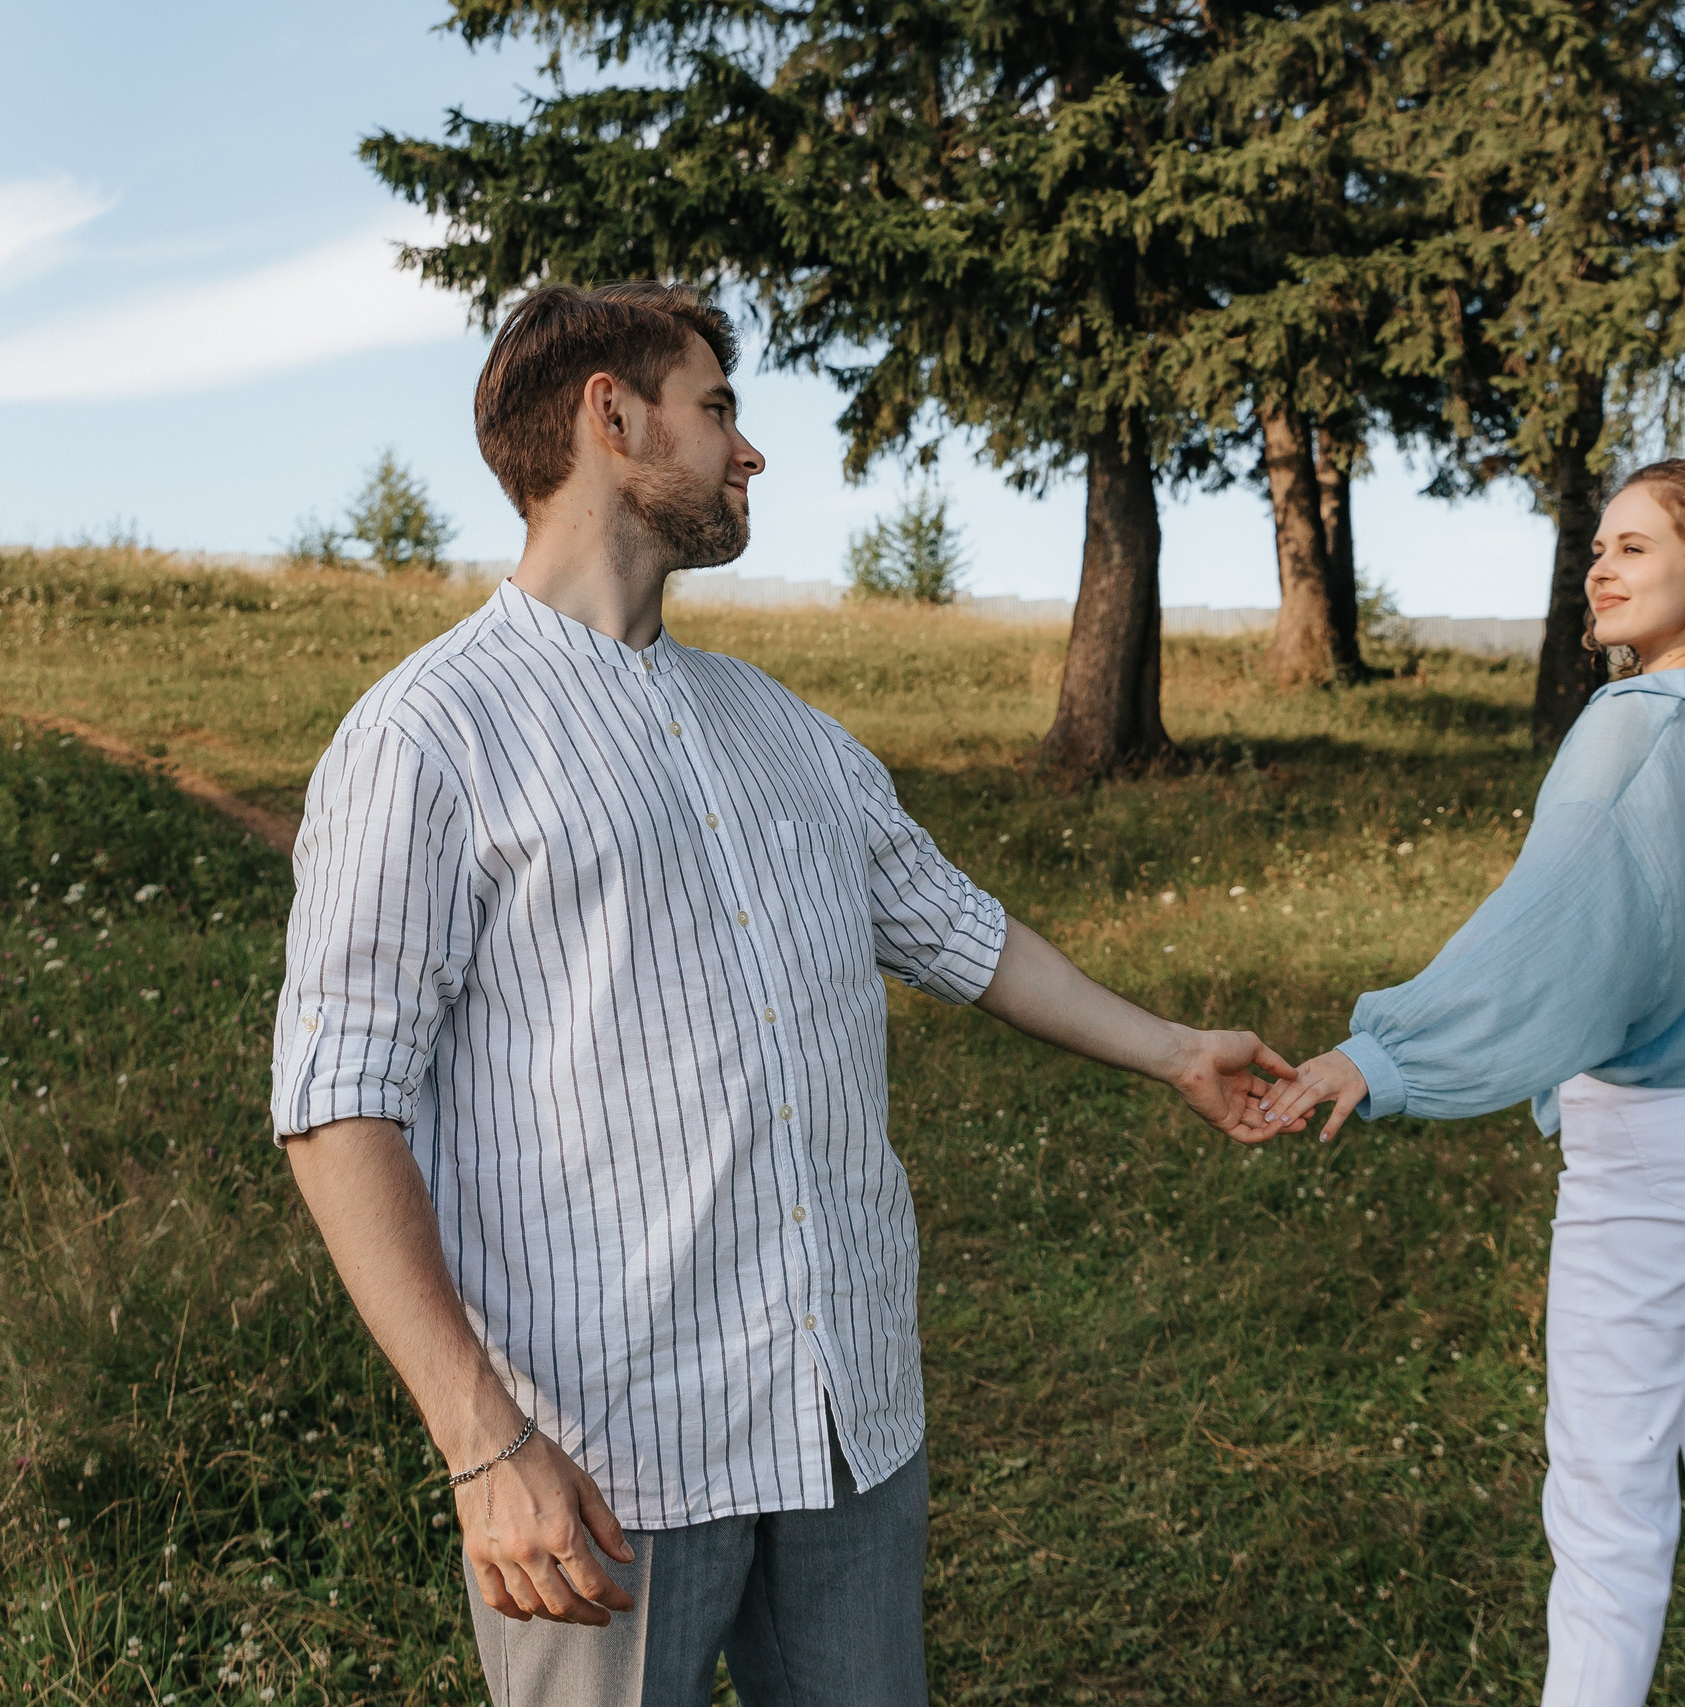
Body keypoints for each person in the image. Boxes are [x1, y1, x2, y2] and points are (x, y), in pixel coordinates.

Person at [271, 280, 1292, 1707]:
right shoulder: (426, 735)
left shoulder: (787, 729)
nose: (748, 449)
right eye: (717, 409)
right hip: (605, 1458)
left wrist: (1176, 1049)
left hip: (845, 1421)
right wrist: (484, 1442)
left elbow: (962, 934)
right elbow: (339, 1106)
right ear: (611, 416)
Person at [1255, 459, 1685, 1706]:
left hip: (1662, 1142)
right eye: (1599, 548)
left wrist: (1382, 1053)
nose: (1601, 570)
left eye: (1636, 547)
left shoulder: (1633, 728)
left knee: (1608, 1517)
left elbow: (1544, 931)